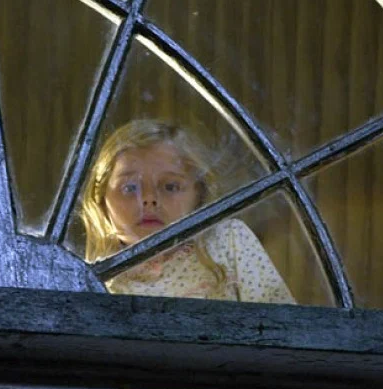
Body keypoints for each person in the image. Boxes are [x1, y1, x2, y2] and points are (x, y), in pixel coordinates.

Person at [79, 119, 294, 304]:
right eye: (130, 188)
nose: (149, 199)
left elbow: (284, 325)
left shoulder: (228, 241)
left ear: (198, 195)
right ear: (102, 200)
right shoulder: (91, 280)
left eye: (170, 187)